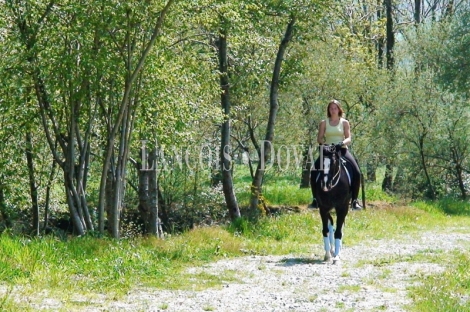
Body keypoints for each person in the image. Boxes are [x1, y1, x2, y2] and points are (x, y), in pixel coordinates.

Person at [309, 99, 363, 210]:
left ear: (339, 109)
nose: (333, 110)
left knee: (357, 172)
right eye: (331, 108)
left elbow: (349, 138)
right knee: (314, 171)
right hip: (327, 151)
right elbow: (319, 138)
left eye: (335, 108)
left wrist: (341, 143)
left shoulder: (344, 122)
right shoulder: (324, 122)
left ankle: (354, 201)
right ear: (328, 110)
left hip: (342, 150)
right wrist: (325, 144)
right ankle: (315, 200)